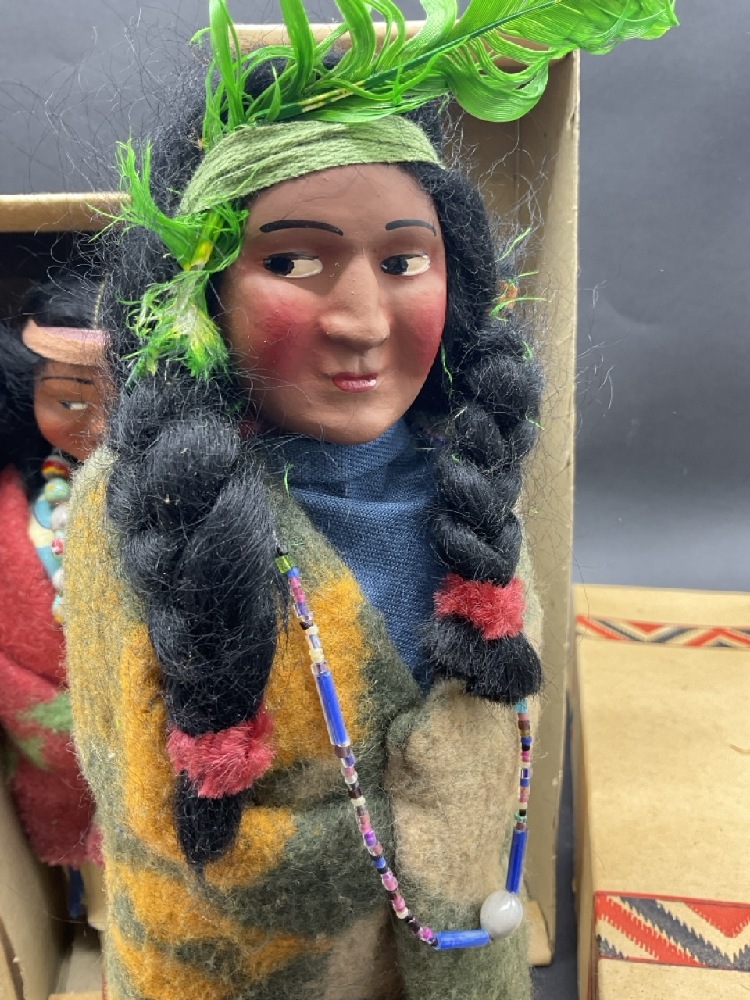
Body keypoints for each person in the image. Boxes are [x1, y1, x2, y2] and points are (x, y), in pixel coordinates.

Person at [63, 2, 677, 997]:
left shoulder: (467, 473)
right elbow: (158, 814)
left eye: (402, 262)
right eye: (292, 262)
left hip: (460, 959)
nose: (360, 320)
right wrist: (418, 822)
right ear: (203, 292)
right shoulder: (142, 506)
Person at [0, 275, 107, 925]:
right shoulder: (23, 496)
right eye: (67, 401)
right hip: (51, 718)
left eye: (119, 401)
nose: (97, 425)